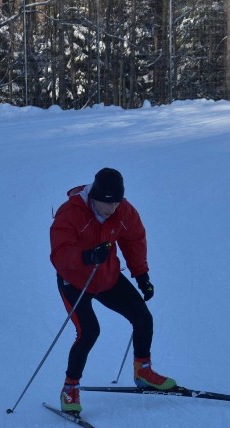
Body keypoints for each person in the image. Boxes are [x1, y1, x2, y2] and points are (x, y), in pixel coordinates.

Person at [49, 167, 175, 414]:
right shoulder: (70, 213)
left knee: (143, 317)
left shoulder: (124, 211)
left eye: (116, 203)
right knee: (89, 332)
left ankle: (143, 372)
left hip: (106, 276)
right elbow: (60, 253)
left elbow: (134, 241)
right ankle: (69, 388)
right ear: (93, 196)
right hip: (74, 281)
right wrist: (87, 256)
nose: (111, 210)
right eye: (106, 204)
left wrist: (142, 276)